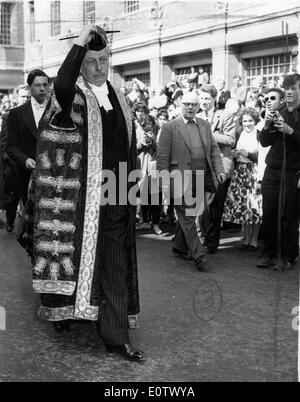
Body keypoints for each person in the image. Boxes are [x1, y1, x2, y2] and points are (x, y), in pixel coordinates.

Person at [20, 25, 145, 361]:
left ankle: (116, 336)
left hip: (117, 194)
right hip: (82, 201)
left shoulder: (119, 96)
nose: (100, 67)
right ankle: (64, 310)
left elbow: (128, 148)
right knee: (74, 264)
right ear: (82, 64)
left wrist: (132, 192)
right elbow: (60, 81)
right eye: (92, 61)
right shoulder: (71, 97)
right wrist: (79, 43)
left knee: (116, 264)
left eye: (104, 60)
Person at [157, 91, 225, 271]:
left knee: (192, 214)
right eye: (186, 104)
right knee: (187, 217)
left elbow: (214, 150)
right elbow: (162, 158)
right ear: (181, 105)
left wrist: (219, 170)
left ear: (198, 107)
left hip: (202, 178)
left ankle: (180, 246)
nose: (190, 107)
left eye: (194, 104)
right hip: (179, 179)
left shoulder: (204, 124)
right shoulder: (170, 127)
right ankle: (199, 255)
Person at [257, 75, 300, 270]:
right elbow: (265, 142)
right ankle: (269, 253)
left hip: (293, 172)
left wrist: (291, 131)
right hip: (272, 170)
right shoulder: (278, 111)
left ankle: (288, 256)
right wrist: (266, 125)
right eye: (286, 87)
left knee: (288, 216)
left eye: (293, 87)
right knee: (269, 214)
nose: (289, 91)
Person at [197, 84, 237, 253]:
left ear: (214, 99)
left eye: (207, 98)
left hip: (219, 167)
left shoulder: (225, 115)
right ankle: (199, 239)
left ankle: (211, 244)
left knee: (215, 207)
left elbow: (230, 140)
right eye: (201, 97)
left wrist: (209, 132)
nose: (203, 101)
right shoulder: (196, 115)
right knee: (200, 206)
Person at [6, 70, 50, 205]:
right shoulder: (16, 113)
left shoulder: (56, 112)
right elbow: (11, 147)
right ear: (29, 87)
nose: (42, 89)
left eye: (45, 85)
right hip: (27, 176)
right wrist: (25, 160)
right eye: (38, 85)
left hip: (53, 174)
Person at [223, 107, 262, 250]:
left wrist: (248, 154)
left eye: (250, 120)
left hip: (253, 172)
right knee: (243, 205)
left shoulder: (259, 134)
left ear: (255, 121)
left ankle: (254, 240)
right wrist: (234, 154)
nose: (247, 123)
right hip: (240, 171)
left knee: (255, 206)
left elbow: (262, 157)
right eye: (244, 121)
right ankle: (246, 238)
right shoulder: (239, 133)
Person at [0, 85, 31, 232]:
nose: (25, 99)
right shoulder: (8, 116)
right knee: (12, 198)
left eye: (28, 96)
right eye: (23, 96)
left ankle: (28, 227)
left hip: (31, 164)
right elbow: (4, 143)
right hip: (12, 165)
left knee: (30, 197)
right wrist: (9, 161)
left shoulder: (38, 115)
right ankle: (10, 221)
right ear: (18, 97)